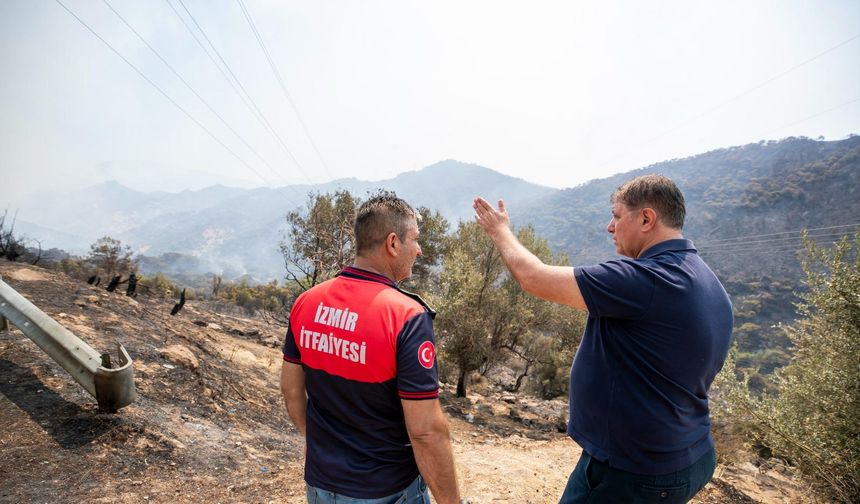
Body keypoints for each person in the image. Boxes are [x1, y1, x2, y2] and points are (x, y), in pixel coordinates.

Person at [473, 174, 732, 503]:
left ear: (646, 218)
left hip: (631, 470)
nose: (610, 226)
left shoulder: (644, 281)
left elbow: (533, 277)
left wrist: (499, 231)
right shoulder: (709, 282)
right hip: (687, 454)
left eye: (617, 215)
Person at [281, 194, 461, 504]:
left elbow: (291, 390)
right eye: (415, 239)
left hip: (320, 485)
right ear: (393, 243)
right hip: (386, 491)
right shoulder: (407, 317)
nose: (419, 250)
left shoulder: (306, 302)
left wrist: (320, 447)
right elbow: (426, 432)